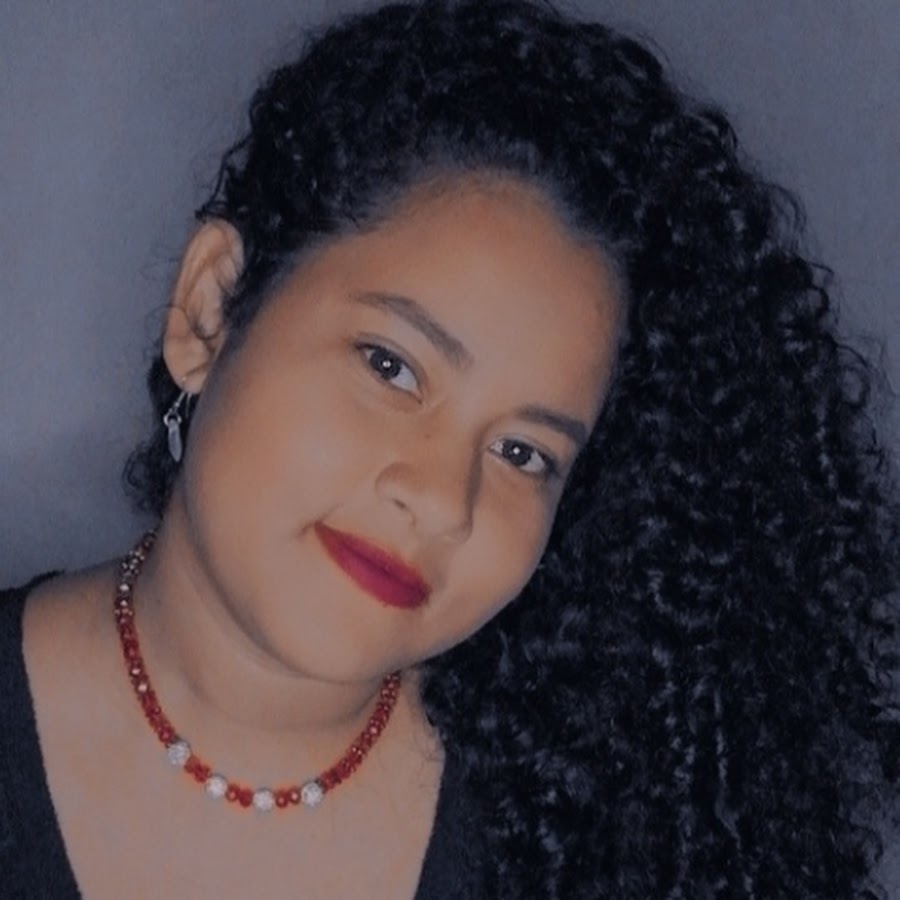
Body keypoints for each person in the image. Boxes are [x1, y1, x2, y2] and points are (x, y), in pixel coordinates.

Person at [2, 0, 898, 897]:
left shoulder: (611, 843)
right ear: (210, 310)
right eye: (391, 366)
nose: (441, 498)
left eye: (523, 453)